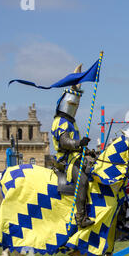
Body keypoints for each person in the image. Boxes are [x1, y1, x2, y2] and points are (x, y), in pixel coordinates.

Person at [51, 64, 94, 228]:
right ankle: (81, 218)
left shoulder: (71, 122)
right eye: (72, 104)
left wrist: (87, 149)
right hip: (66, 160)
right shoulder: (60, 122)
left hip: (76, 156)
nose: (74, 107)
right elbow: (64, 143)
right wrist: (78, 143)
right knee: (82, 180)